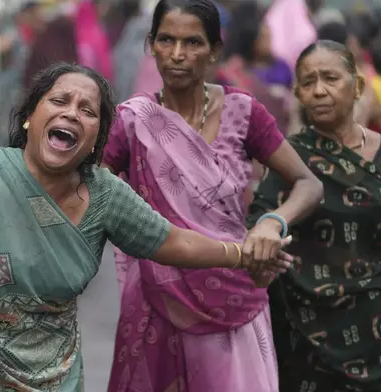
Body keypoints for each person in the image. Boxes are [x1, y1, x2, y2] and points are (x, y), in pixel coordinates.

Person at [0, 61, 294, 391]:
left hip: (59, 376)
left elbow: (171, 241)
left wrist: (243, 251)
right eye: (59, 101)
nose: (72, 113)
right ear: (32, 116)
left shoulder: (104, 195)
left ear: (97, 136)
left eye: (87, 110)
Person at [102, 1, 324, 391]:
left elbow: (308, 183)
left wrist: (272, 222)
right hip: (157, 300)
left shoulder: (243, 111)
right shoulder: (132, 121)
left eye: (192, 42)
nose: (177, 54)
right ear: (151, 45)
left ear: (214, 51)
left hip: (234, 295)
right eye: (166, 40)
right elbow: (92, 189)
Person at [250, 40, 381, 392]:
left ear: (357, 86)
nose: (319, 90)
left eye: (330, 78)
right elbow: (259, 224)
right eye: (308, 83)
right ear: (298, 94)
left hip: (374, 327)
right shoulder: (289, 158)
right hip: (307, 338)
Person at [218, 0, 292, 131]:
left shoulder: (281, 66)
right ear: (252, 41)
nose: (268, 42)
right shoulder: (235, 70)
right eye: (263, 38)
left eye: (270, 36)